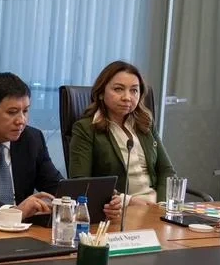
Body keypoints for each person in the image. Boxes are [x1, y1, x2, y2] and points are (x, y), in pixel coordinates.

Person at [0, 72, 122, 221]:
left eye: (25, 111)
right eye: (12, 112)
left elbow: (56, 186)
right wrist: (11, 212)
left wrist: (100, 202)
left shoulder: (32, 139)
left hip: (23, 229)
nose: (21, 120)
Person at [68, 60, 176, 204]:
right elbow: (81, 183)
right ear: (101, 93)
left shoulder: (145, 124)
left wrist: (161, 205)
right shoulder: (86, 128)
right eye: (118, 89)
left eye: (134, 90)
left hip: (155, 205)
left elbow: (167, 171)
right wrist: (128, 201)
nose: (127, 97)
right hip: (118, 208)